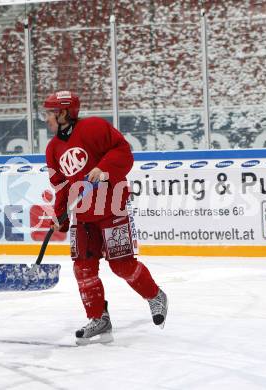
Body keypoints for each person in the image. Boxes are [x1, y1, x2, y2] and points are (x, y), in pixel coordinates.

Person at [42, 90, 168, 345]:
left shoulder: (95, 128)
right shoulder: (53, 148)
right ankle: (99, 317)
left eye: (50, 113)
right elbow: (61, 185)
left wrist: (103, 168)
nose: (46, 118)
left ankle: (156, 296)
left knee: (121, 265)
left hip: (111, 206)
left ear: (64, 113)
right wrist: (60, 218)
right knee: (83, 268)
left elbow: (123, 150)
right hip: (83, 214)